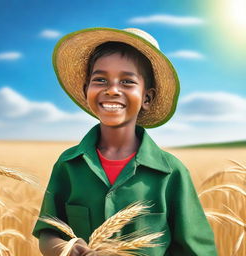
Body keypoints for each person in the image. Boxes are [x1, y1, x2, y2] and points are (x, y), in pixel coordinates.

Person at [32, 27, 218, 256]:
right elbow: (48, 232)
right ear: (86, 89)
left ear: (147, 98)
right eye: (100, 80)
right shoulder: (68, 165)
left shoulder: (172, 173)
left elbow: (198, 251)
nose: (112, 90)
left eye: (127, 82)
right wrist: (67, 249)